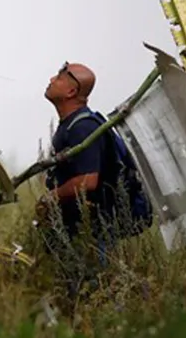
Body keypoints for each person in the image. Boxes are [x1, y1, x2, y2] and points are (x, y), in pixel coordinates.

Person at [35, 62, 120, 296]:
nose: (52, 79)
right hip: (76, 226)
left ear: (72, 91)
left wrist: (52, 196)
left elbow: (88, 180)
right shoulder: (70, 125)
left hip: (92, 228)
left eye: (60, 77)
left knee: (93, 288)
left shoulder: (83, 127)